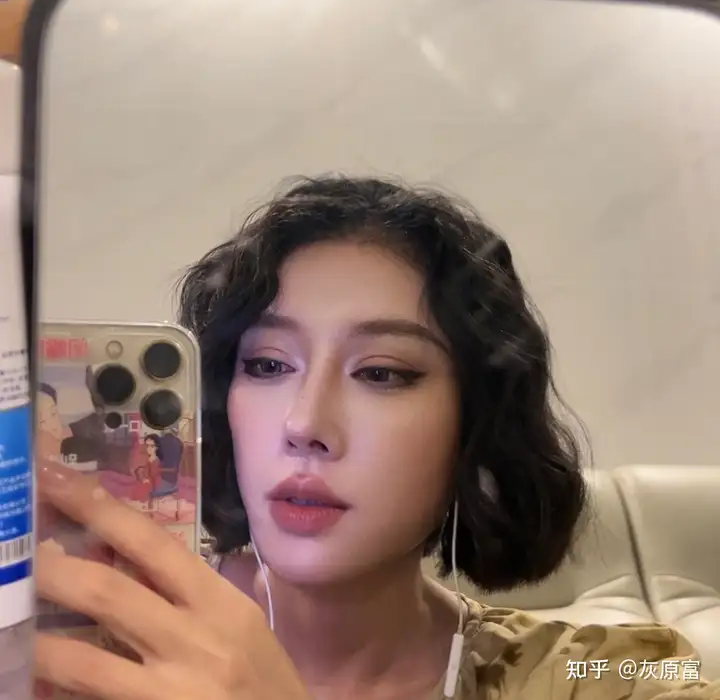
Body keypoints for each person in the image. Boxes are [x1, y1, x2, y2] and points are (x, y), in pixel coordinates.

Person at [35, 176, 720, 700]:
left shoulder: (611, 676)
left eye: (382, 372)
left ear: (475, 425)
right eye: (267, 365)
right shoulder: (97, 644)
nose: (305, 425)